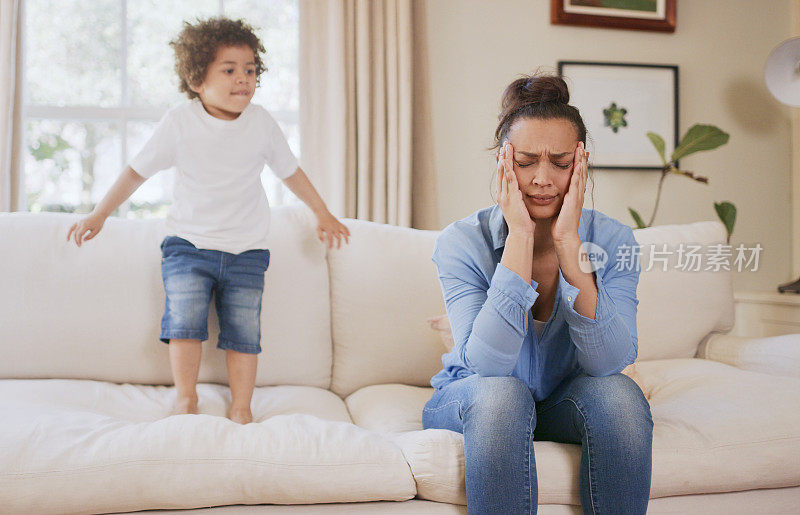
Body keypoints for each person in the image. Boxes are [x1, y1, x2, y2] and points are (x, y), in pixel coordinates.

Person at [66, 17, 350, 425]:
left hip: (247, 250)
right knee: (183, 322)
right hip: (188, 246)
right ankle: (186, 399)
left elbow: (291, 172)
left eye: (251, 70)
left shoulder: (262, 123)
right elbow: (135, 171)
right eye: (230, 70)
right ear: (197, 78)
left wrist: (322, 213)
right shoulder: (180, 122)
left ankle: (242, 407)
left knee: (245, 332)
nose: (243, 80)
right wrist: (100, 214)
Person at [421, 72, 653, 514]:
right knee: (500, 396)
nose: (543, 179)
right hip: (477, 397)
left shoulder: (614, 241)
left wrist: (569, 243)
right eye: (526, 162)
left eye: (560, 163)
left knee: (621, 395)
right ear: (503, 164)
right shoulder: (461, 242)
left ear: (581, 162)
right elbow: (487, 366)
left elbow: (609, 363)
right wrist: (521, 239)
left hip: (565, 400)